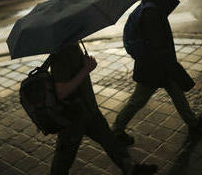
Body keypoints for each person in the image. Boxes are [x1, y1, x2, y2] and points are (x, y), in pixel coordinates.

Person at [112, 0, 202, 146]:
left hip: (158, 65)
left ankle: (193, 123)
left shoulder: (151, 5)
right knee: (137, 101)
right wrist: (176, 70)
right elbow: (159, 48)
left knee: (177, 95)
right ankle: (117, 130)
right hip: (153, 68)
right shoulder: (152, 13)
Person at [50, 42, 157, 175]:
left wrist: (85, 65)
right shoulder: (60, 55)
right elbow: (62, 92)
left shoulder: (73, 45)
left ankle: (131, 168)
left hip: (89, 110)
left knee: (110, 141)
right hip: (73, 116)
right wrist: (86, 69)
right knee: (63, 158)